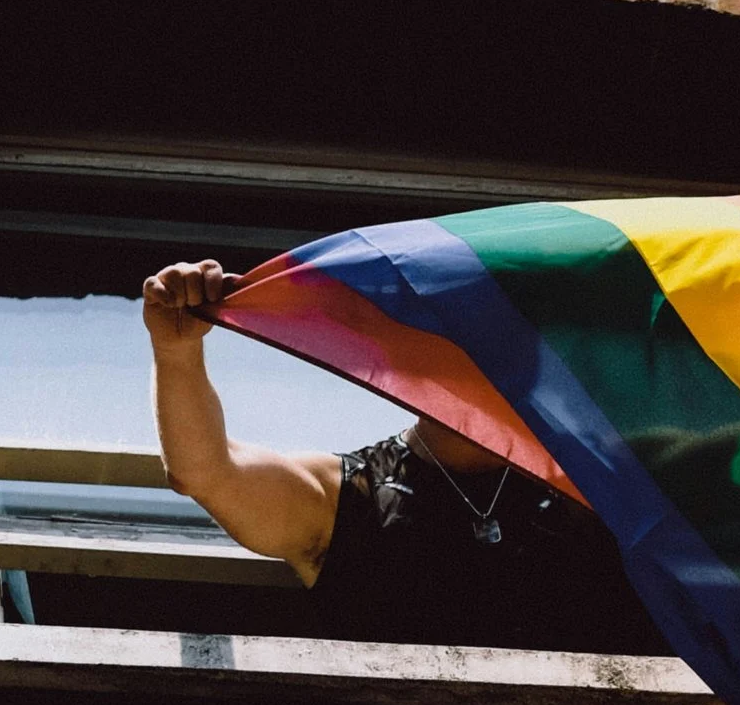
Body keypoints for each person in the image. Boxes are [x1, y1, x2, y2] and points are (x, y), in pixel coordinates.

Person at [141, 258, 658, 651]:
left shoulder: (597, 484)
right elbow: (205, 472)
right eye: (452, 338)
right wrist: (177, 351)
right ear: (405, 360)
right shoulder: (348, 494)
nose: (478, 356)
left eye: (503, 339)